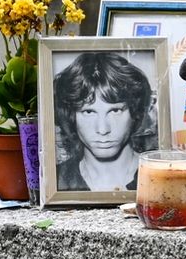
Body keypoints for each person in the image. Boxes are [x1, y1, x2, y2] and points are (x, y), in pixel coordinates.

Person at [54, 52, 152, 191]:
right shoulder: (56, 181)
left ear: (135, 112)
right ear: (71, 116)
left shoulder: (160, 176)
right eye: (89, 112)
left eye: (115, 111)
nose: (103, 129)